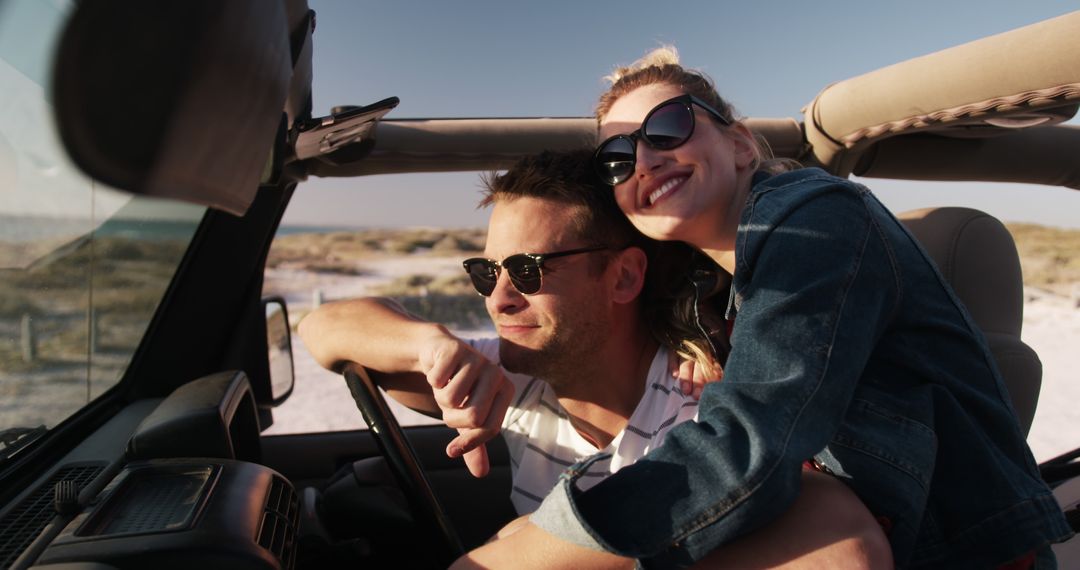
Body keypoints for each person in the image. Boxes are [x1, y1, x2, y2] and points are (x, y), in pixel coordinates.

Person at [463, 48, 1071, 569]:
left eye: (668, 126)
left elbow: (752, 442)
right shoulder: (712, 291)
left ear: (741, 145)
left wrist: (526, 552)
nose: (644, 158)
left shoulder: (817, 218)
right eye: (617, 157)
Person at [299, 149, 891, 568]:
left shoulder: (707, 404)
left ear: (624, 276)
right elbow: (322, 327)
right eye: (486, 272)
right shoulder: (514, 378)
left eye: (528, 271)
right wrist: (429, 344)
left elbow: (841, 545)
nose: (500, 298)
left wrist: (522, 547)